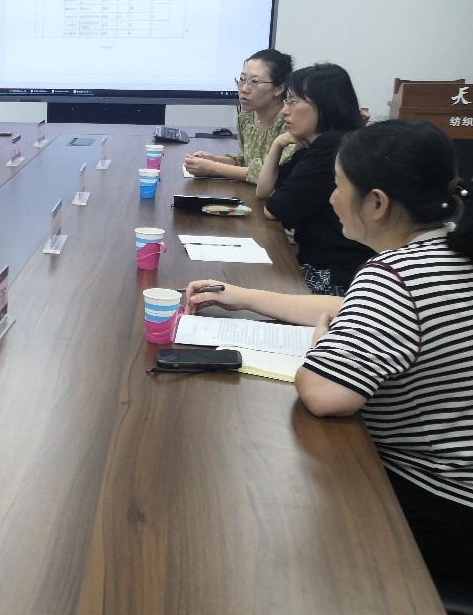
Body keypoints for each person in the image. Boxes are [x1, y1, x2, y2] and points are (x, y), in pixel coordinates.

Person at [185, 119, 473, 589]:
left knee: (260, 510)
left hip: (440, 503)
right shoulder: (447, 247)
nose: (331, 197)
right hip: (461, 488)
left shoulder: (395, 276)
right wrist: (244, 296)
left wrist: (322, 349)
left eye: (338, 186)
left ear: (376, 202)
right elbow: (348, 308)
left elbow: (324, 394)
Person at [256, 63, 372, 294]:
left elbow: (274, 209)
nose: (284, 111)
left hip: (335, 274)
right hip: (319, 263)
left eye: (293, 101)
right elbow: (264, 191)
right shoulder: (318, 144)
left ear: (325, 105)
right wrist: (277, 145)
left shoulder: (333, 146)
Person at [184, 48, 295, 182]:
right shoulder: (246, 117)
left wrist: (213, 168)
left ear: (279, 88)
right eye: (242, 80)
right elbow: (248, 160)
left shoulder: (290, 122)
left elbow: (270, 173)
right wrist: (214, 160)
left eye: (255, 82)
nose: (244, 89)